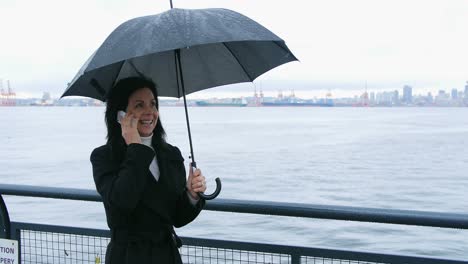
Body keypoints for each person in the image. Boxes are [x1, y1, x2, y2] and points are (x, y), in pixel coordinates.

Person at [90, 76, 206, 264]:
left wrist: (191, 196)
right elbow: (121, 203)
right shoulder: (104, 157)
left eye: (153, 104)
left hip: (167, 255)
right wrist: (136, 148)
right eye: (139, 105)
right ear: (120, 114)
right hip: (128, 257)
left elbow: (177, 217)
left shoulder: (171, 154)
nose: (149, 112)